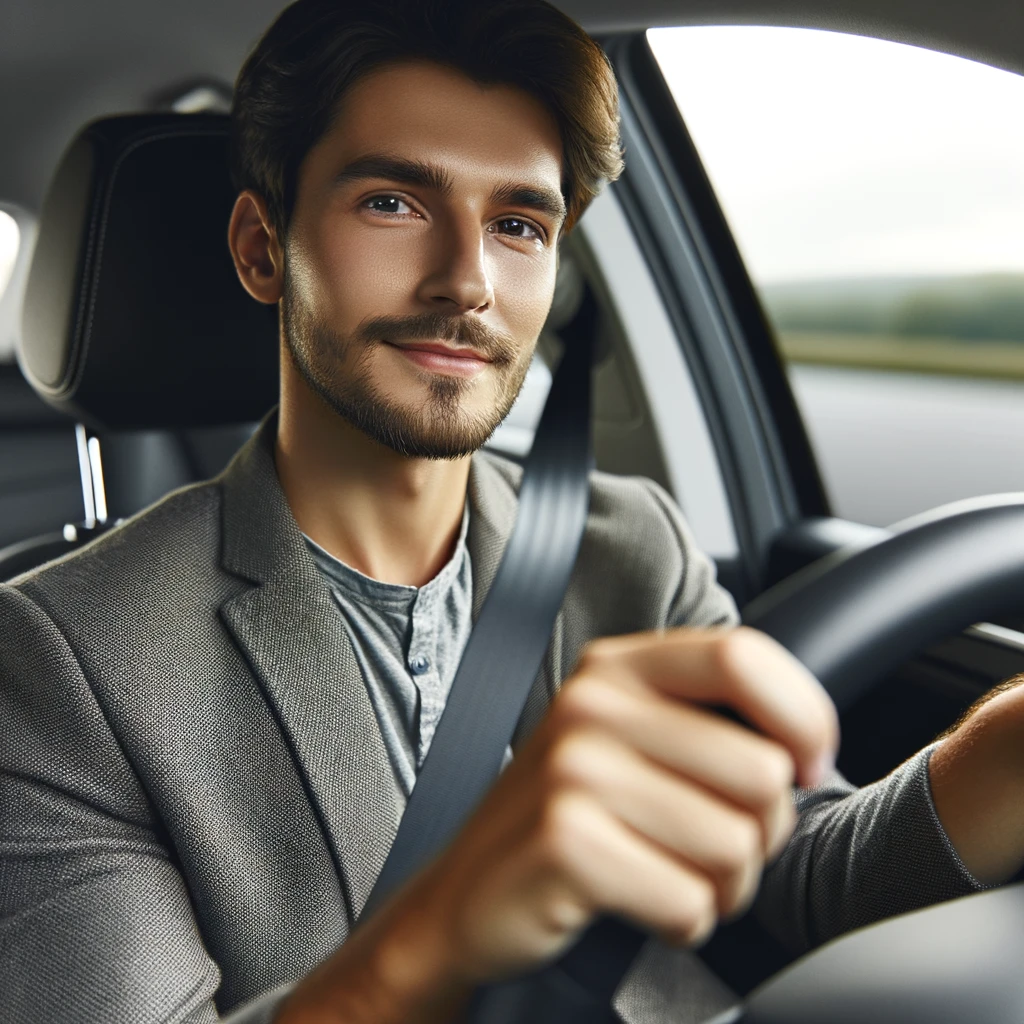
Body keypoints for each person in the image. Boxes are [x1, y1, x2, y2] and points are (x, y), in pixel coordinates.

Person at [1, 1, 1023, 1022]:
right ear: (263, 249)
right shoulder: (60, 665)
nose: (467, 282)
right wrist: (442, 931)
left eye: (518, 225)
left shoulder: (632, 549)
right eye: (394, 204)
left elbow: (801, 876)